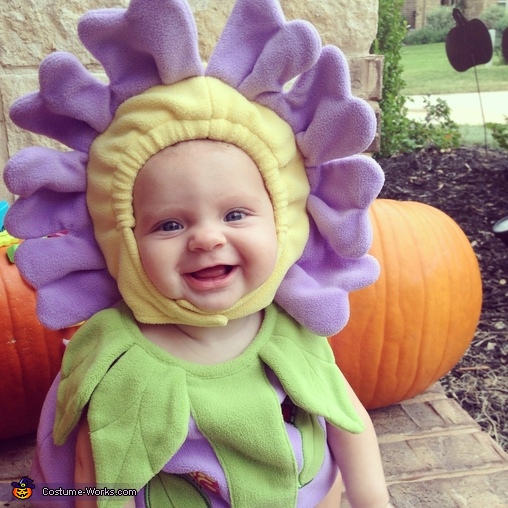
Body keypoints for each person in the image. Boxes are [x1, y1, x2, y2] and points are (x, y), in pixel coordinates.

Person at [4, 0, 392, 506]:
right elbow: (90, 473)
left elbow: (345, 417)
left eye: (235, 215)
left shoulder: (290, 331)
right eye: (169, 224)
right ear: (123, 243)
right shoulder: (119, 357)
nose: (206, 239)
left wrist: (369, 497)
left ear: (284, 224)